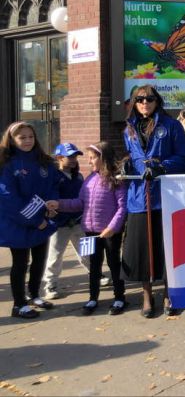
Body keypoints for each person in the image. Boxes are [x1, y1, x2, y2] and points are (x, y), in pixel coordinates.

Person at [121, 85, 185, 317]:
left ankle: (169, 293)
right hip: (139, 198)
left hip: (165, 196)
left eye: (149, 99)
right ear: (134, 102)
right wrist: (126, 164)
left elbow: (183, 157)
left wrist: (161, 166)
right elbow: (133, 156)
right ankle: (146, 294)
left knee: (166, 248)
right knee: (142, 250)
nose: (144, 103)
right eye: (140, 99)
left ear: (157, 101)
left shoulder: (171, 126)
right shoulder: (129, 128)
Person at [47, 142, 128, 315]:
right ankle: (93, 298)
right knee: (94, 266)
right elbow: (80, 203)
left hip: (109, 233)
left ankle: (119, 298)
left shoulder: (116, 179)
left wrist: (113, 227)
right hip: (89, 232)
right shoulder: (90, 179)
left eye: (92, 158)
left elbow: (122, 207)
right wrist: (59, 204)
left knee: (114, 264)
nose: (89, 162)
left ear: (103, 158)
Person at [0, 122, 61, 318]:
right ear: (11, 140)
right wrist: (36, 221)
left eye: (30, 136)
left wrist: (52, 205)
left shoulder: (43, 161)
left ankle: (34, 295)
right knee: (20, 263)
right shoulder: (7, 164)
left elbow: (53, 184)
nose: (27, 140)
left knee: (39, 259)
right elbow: (9, 199)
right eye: (22, 137)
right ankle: (19, 304)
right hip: (18, 223)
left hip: (41, 219)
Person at [41, 143, 91, 300]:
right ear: (59, 158)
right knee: (55, 256)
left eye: (75, 156)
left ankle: (96, 273)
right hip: (60, 224)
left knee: (87, 252)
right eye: (69, 156)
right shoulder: (54, 177)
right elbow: (51, 198)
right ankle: (50, 284)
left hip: (78, 221)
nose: (73, 159)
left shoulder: (79, 176)